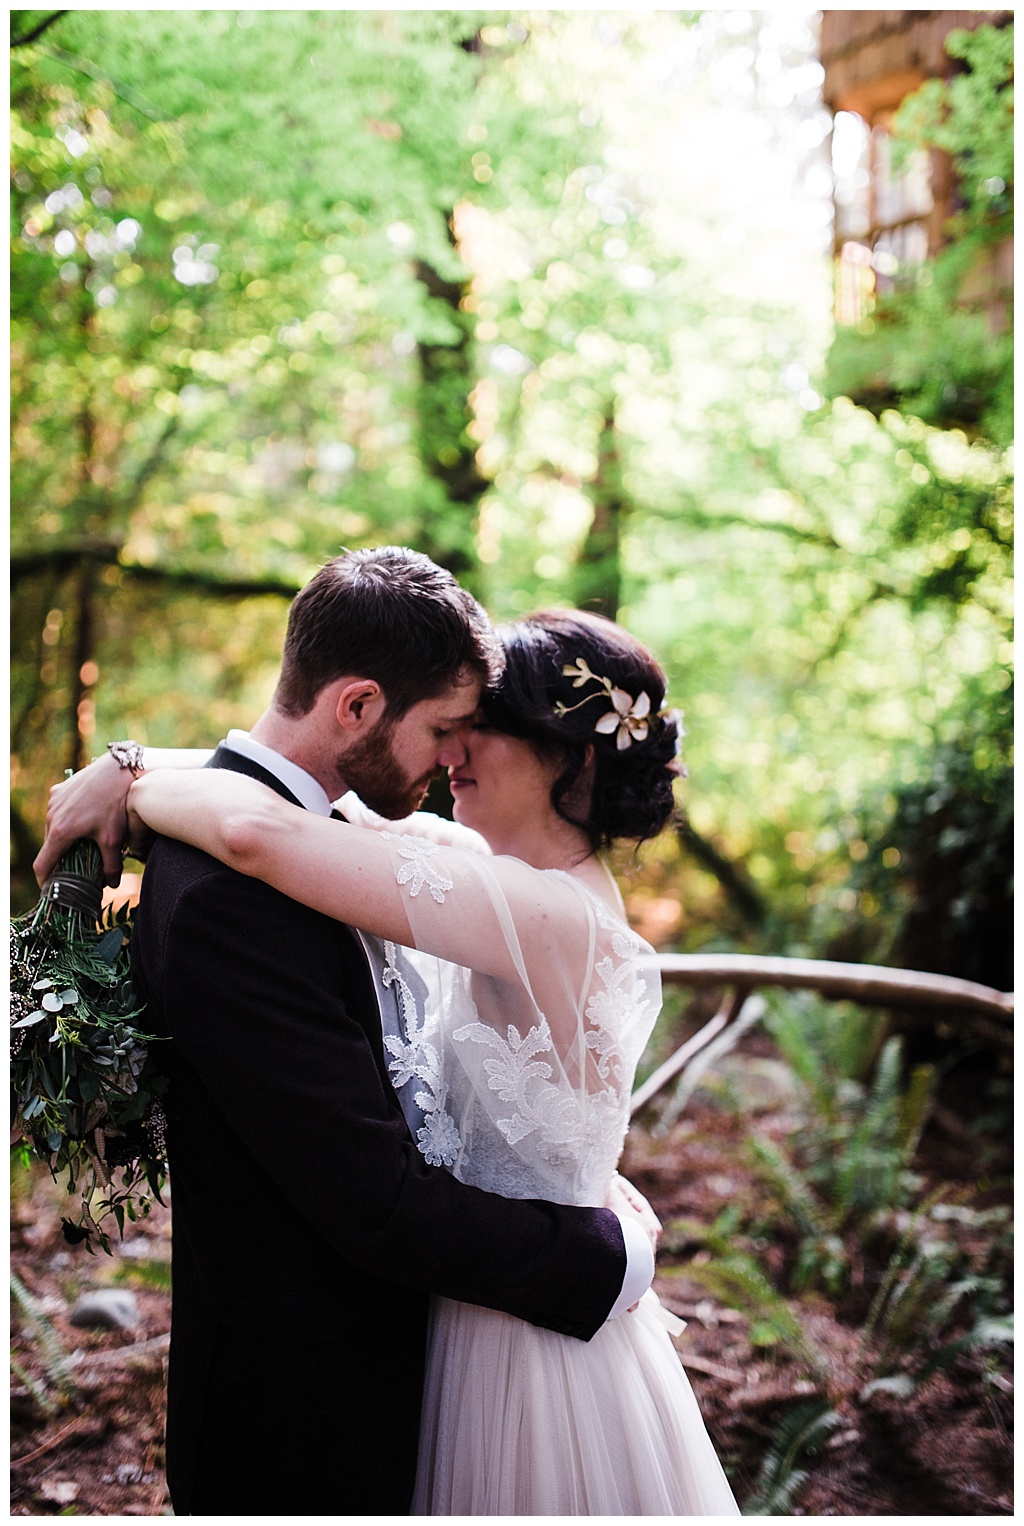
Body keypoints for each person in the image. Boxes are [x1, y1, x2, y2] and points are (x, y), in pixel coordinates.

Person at [45, 593, 740, 1514]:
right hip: (450, 1309)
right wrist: (125, 764)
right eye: (451, 725)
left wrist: (126, 780)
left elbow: (259, 828)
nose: (451, 753)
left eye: (478, 729)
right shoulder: (474, 865)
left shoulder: (553, 916)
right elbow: (298, 788)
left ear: (569, 760)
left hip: (529, 1332)